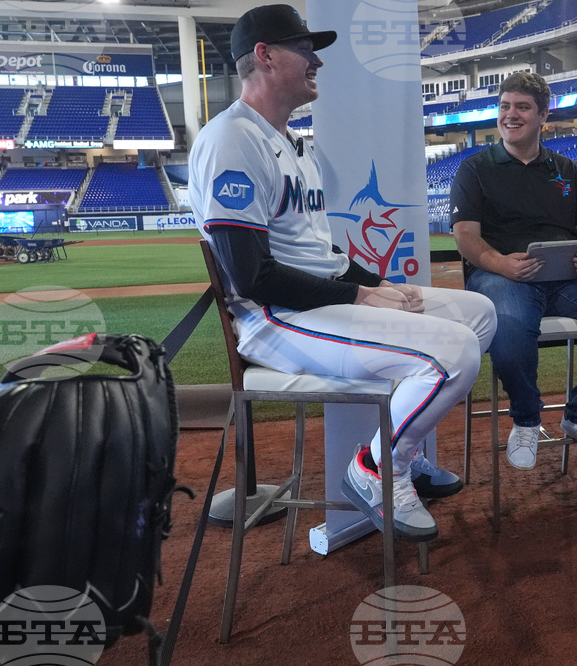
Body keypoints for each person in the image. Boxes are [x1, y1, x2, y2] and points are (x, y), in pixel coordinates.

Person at [188, 4, 497, 542]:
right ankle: (377, 469)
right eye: (304, 50)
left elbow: (321, 251)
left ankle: (396, 451)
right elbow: (252, 277)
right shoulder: (232, 140)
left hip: (319, 303)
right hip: (275, 318)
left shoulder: (291, 142)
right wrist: (359, 295)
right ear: (264, 55)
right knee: (455, 351)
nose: (317, 62)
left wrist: (379, 286)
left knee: (480, 313)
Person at [451, 71, 577, 471]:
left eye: (522, 107)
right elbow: (466, 237)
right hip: (501, 273)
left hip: (567, 274)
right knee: (507, 322)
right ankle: (526, 419)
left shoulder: (567, 169)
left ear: (543, 115)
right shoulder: (475, 168)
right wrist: (501, 263)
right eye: (505, 106)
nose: (510, 114)